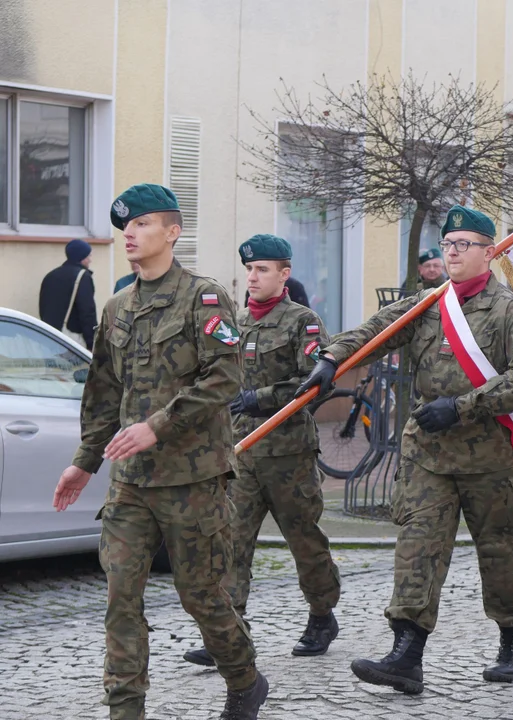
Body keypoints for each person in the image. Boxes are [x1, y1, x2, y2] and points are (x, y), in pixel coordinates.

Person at [297, 204, 513, 693]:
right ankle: (406, 654)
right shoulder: (428, 303)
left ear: (489, 252)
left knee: (497, 550)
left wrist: (461, 407)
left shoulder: (508, 310)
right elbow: (376, 329)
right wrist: (332, 359)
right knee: (418, 548)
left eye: (464, 245)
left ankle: (512, 639)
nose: (452, 253)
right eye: (448, 245)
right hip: (428, 453)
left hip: (487, 456)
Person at [51, 184, 268, 720]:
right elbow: (103, 391)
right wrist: (85, 461)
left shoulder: (205, 297)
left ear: (172, 232)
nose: (130, 233)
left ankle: (243, 678)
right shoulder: (117, 304)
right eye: (126, 226)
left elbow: (224, 378)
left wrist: (157, 425)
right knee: (120, 596)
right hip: (130, 484)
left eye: (143, 224)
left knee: (201, 595)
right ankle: (126, 710)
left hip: (193, 482)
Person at [182, 234, 341, 667]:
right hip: (240, 454)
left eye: (263, 270)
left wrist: (262, 397)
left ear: (283, 274)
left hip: (288, 454)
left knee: (304, 540)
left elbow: (316, 383)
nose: (253, 277)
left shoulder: (302, 322)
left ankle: (322, 614)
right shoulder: (233, 320)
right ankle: (230, 635)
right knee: (231, 542)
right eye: (249, 270)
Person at [39, 238, 98, 349]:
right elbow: (87, 313)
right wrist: (93, 342)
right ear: (81, 257)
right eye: (88, 256)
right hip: (72, 341)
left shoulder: (50, 276)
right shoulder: (82, 277)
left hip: (49, 339)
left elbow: (43, 308)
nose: (90, 260)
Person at [243, 276, 310, 308]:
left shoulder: (295, 287)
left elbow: (306, 317)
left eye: (263, 269)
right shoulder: (253, 289)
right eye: (249, 268)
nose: (252, 277)